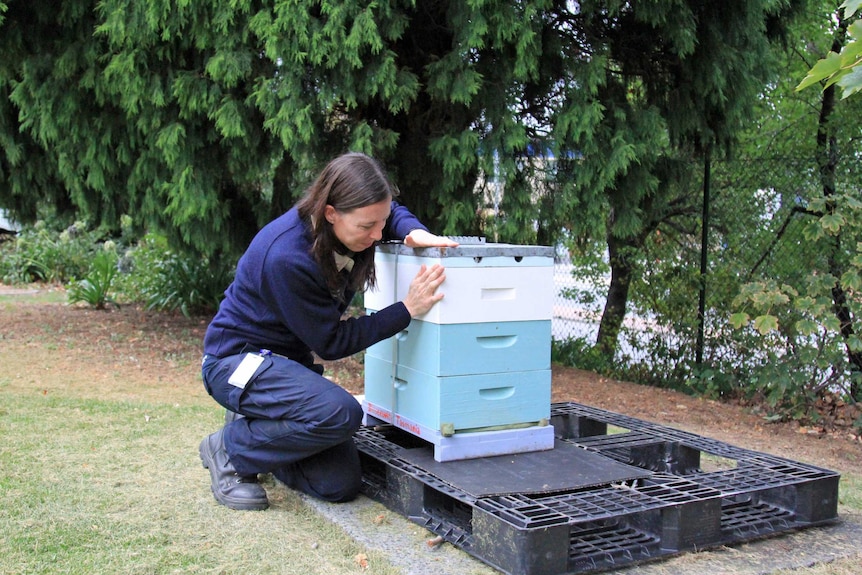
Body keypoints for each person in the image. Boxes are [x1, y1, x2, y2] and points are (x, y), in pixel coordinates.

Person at [199, 152, 459, 510]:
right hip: (236, 364)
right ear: (331, 212)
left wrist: (413, 231)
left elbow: (388, 212)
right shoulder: (287, 257)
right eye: (367, 227)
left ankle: (264, 430)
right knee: (340, 413)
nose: (378, 235)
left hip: (286, 366)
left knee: (338, 484)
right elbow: (331, 342)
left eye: (381, 223)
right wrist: (406, 310)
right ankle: (229, 448)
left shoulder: (349, 225)